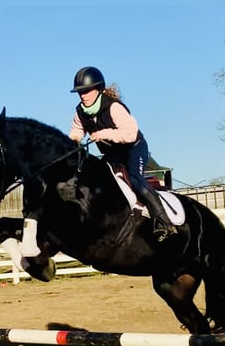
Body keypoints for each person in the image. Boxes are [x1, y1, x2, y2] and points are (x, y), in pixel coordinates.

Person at [68, 66, 177, 242]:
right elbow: (76, 132)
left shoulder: (113, 107)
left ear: (99, 89)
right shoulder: (80, 112)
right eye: (80, 92)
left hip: (133, 148)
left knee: (135, 179)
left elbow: (130, 134)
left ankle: (164, 221)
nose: (82, 95)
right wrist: (72, 143)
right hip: (113, 154)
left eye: (86, 91)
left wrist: (104, 133)